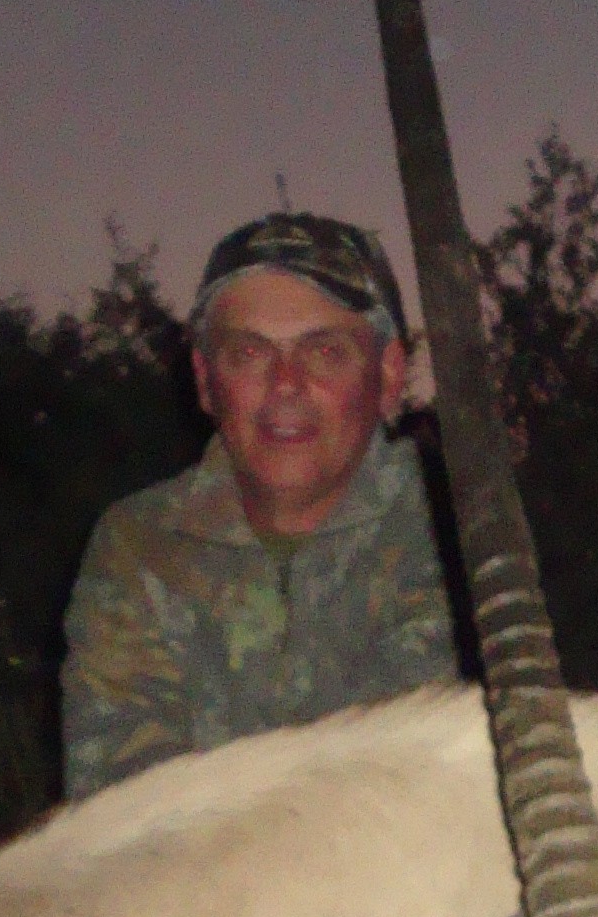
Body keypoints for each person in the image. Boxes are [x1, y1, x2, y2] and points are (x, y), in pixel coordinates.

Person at [61, 211, 466, 798]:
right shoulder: (138, 546)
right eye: (249, 353)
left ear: (389, 373)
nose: (285, 383)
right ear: (204, 380)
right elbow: (122, 816)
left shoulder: (467, 536)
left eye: (324, 351)